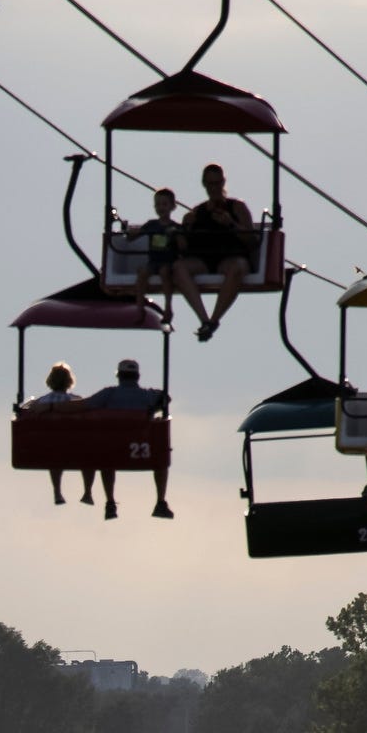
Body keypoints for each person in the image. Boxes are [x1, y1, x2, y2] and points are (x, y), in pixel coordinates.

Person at [170, 162, 263, 342]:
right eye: (210, 184)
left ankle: (214, 319)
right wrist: (184, 228)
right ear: (204, 184)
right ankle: (204, 319)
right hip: (205, 259)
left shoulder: (237, 207)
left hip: (230, 258)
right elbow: (183, 246)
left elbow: (251, 241)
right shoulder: (197, 212)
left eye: (217, 183)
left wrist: (230, 224)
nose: (214, 188)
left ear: (223, 182)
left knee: (238, 267)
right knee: (178, 268)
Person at [81, 356, 175, 519]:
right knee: (161, 456)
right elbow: (166, 398)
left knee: (105, 455)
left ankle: (110, 501)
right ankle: (160, 501)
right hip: (142, 451)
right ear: (137, 377)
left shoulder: (108, 395)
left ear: (119, 376)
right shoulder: (148, 396)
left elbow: (86, 405)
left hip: (114, 451)